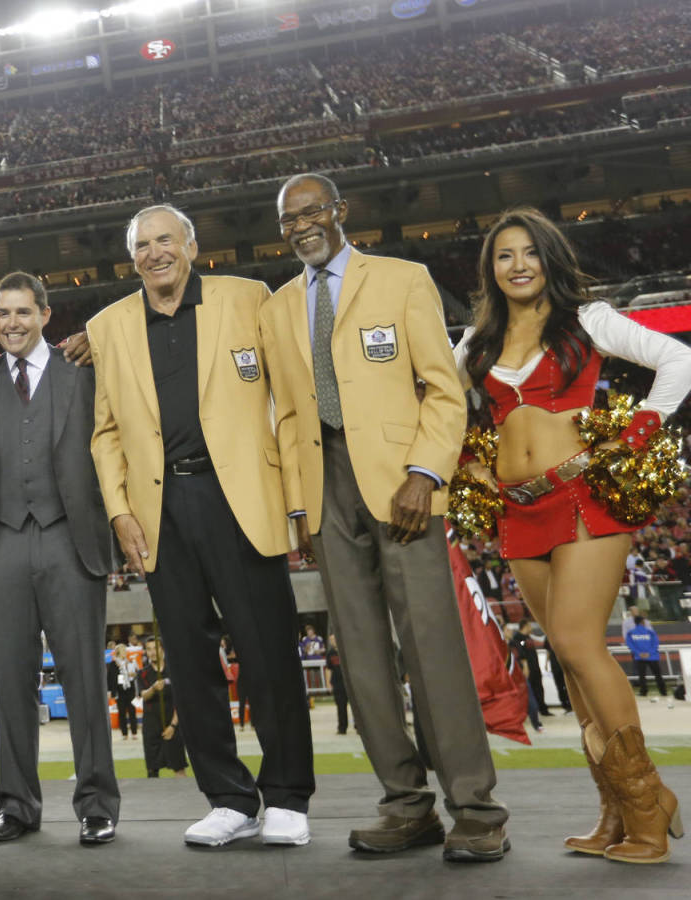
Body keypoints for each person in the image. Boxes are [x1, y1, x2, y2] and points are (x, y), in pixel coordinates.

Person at [258, 173, 509, 862]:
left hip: (403, 486)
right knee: (361, 658)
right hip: (326, 488)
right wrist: (300, 509)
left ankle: (477, 810)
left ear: (341, 211)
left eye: (313, 211)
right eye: (289, 219)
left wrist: (425, 474)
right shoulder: (279, 306)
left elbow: (443, 387)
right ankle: (406, 806)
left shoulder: (401, 279)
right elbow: (282, 414)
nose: (302, 225)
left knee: (431, 649)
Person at [454, 206, 691, 862]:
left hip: (584, 495)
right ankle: (613, 814)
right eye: (505, 255)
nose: (519, 264)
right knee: (569, 660)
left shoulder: (588, 320)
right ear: (490, 268)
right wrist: (466, 459)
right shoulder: (474, 345)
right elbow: (439, 405)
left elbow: (677, 361)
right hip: (516, 510)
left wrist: (637, 430)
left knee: (578, 642)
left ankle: (648, 811)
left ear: (549, 257)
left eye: (530, 251)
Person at [87, 205, 315, 850]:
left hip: (241, 495)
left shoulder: (249, 299)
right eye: (142, 245)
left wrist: (297, 498)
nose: (155, 252)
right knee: (189, 663)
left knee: (267, 654)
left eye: (166, 240)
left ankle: (289, 795)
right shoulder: (109, 326)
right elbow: (105, 434)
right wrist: (120, 510)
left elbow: (291, 399)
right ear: (131, 257)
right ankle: (228, 797)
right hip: (160, 511)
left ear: (192, 245)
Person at [0, 272, 119, 846]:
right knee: (11, 681)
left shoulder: (82, 372)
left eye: (23, 312)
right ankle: (17, 806)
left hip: (68, 536)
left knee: (83, 676)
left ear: (45, 315)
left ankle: (97, 803)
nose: (11, 323)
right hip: (1, 539)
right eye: (3, 313)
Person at [139, 640, 187, 778]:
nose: (152, 652)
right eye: (148, 649)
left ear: (162, 649)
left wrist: (173, 725)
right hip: (151, 728)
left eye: (155, 648)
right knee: (152, 771)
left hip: (172, 725)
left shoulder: (174, 671)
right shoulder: (143, 673)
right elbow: (143, 695)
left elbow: (181, 701)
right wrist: (153, 688)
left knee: (179, 769)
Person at [625, 616, 669, 700]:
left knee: (642, 676)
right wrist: (649, 653)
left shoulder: (630, 633)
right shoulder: (650, 632)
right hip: (652, 657)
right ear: (642, 622)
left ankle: (643, 692)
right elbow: (655, 643)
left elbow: (630, 645)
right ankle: (663, 692)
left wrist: (639, 653)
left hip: (639, 657)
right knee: (658, 675)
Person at [327, 633, 349, 736]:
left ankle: (359, 727)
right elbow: (328, 669)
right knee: (341, 707)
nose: (333, 641)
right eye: (331, 640)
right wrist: (328, 684)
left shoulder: (346, 650)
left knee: (356, 706)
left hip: (348, 683)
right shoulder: (330, 653)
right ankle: (342, 728)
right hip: (337, 683)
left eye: (334, 639)